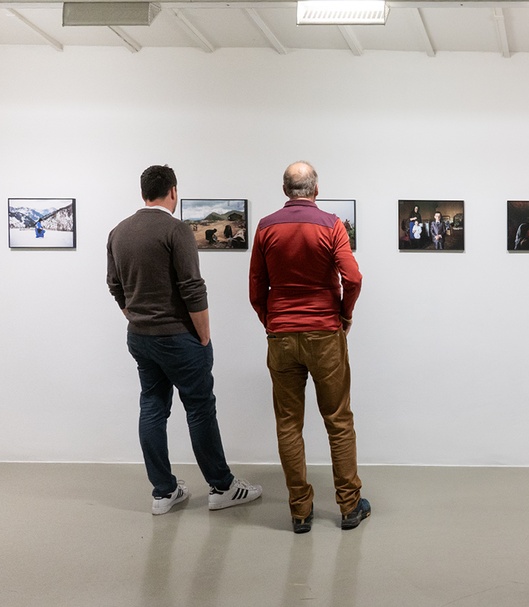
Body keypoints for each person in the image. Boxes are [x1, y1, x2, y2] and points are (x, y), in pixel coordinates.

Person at [107, 164, 262, 515]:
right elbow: (193, 287)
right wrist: (204, 336)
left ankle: (163, 493)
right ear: (173, 191)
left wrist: (134, 316)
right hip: (179, 337)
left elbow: (114, 286)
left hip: (140, 337)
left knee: (152, 407)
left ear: (143, 192)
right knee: (200, 409)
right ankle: (222, 487)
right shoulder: (176, 230)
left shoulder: (119, 232)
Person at [249, 161, 370, 533]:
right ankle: (349, 506)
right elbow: (352, 277)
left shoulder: (266, 227)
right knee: (338, 420)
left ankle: (300, 510)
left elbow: (256, 287)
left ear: (286, 190)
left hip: (282, 334)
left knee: (288, 424)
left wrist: (272, 321)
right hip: (324, 332)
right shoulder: (332, 225)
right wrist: (344, 315)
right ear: (315, 189)